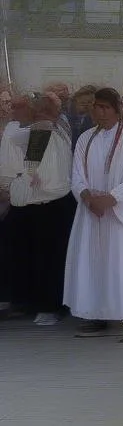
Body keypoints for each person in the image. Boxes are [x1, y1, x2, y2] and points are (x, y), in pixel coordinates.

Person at [64, 87, 123, 337]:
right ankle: (95, 315)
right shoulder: (85, 138)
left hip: (120, 215)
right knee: (93, 263)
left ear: (117, 109)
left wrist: (113, 198)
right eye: (96, 107)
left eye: (105, 107)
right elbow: (76, 176)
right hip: (91, 212)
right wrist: (87, 197)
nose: (99, 112)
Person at [8, 94, 76, 325]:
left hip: (48, 206)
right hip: (52, 205)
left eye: (18, 106)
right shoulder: (53, 129)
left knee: (49, 258)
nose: (13, 111)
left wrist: (20, 178)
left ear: (35, 110)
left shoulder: (41, 131)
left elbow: (29, 173)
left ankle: (50, 306)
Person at [0, 95, 33, 315]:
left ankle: (11, 299)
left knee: (10, 251)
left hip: (13, 196)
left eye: (8, 103)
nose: (6, 107)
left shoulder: (20, 128)